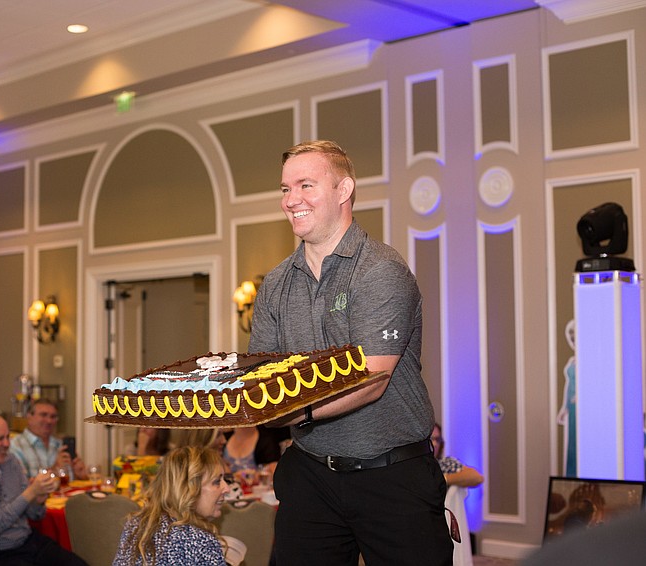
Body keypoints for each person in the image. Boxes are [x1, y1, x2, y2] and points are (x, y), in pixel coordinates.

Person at [248, 140, 452, 565]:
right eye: (285, 189)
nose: (292, 200)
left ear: (344, 191)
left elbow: (371, 379)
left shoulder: (380, 269)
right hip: (309, 474)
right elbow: (261, 377)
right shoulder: (275, 284)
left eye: (306, 185)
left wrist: (294, 412)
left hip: (392, 474)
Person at [0, 412, 87, 566]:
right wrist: (30, 493)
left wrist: (38, 500)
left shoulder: (10, 462)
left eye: (7, 437)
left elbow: (35, 515)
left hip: (29, 542)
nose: (7, 444)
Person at [113, 445, 231, 565]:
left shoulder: (136, 525)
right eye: (217, 482)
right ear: (188, 489)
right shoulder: (200, 541)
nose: (227, 488)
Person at [9, 399, 87, 481]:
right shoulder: (15, 447)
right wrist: (53, 470)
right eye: (43, 415)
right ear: (29, 417)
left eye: (53, 417)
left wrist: (81, 476)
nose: (49, 421)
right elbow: (19, 487)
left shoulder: (60, 445)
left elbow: (71, 482)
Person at [432, 423, 483, 488]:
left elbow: (477, 477)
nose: (435, 444)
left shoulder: (446, 463)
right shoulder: (415, 465)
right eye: (431, 439)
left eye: (437, 439)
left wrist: (441, 480)